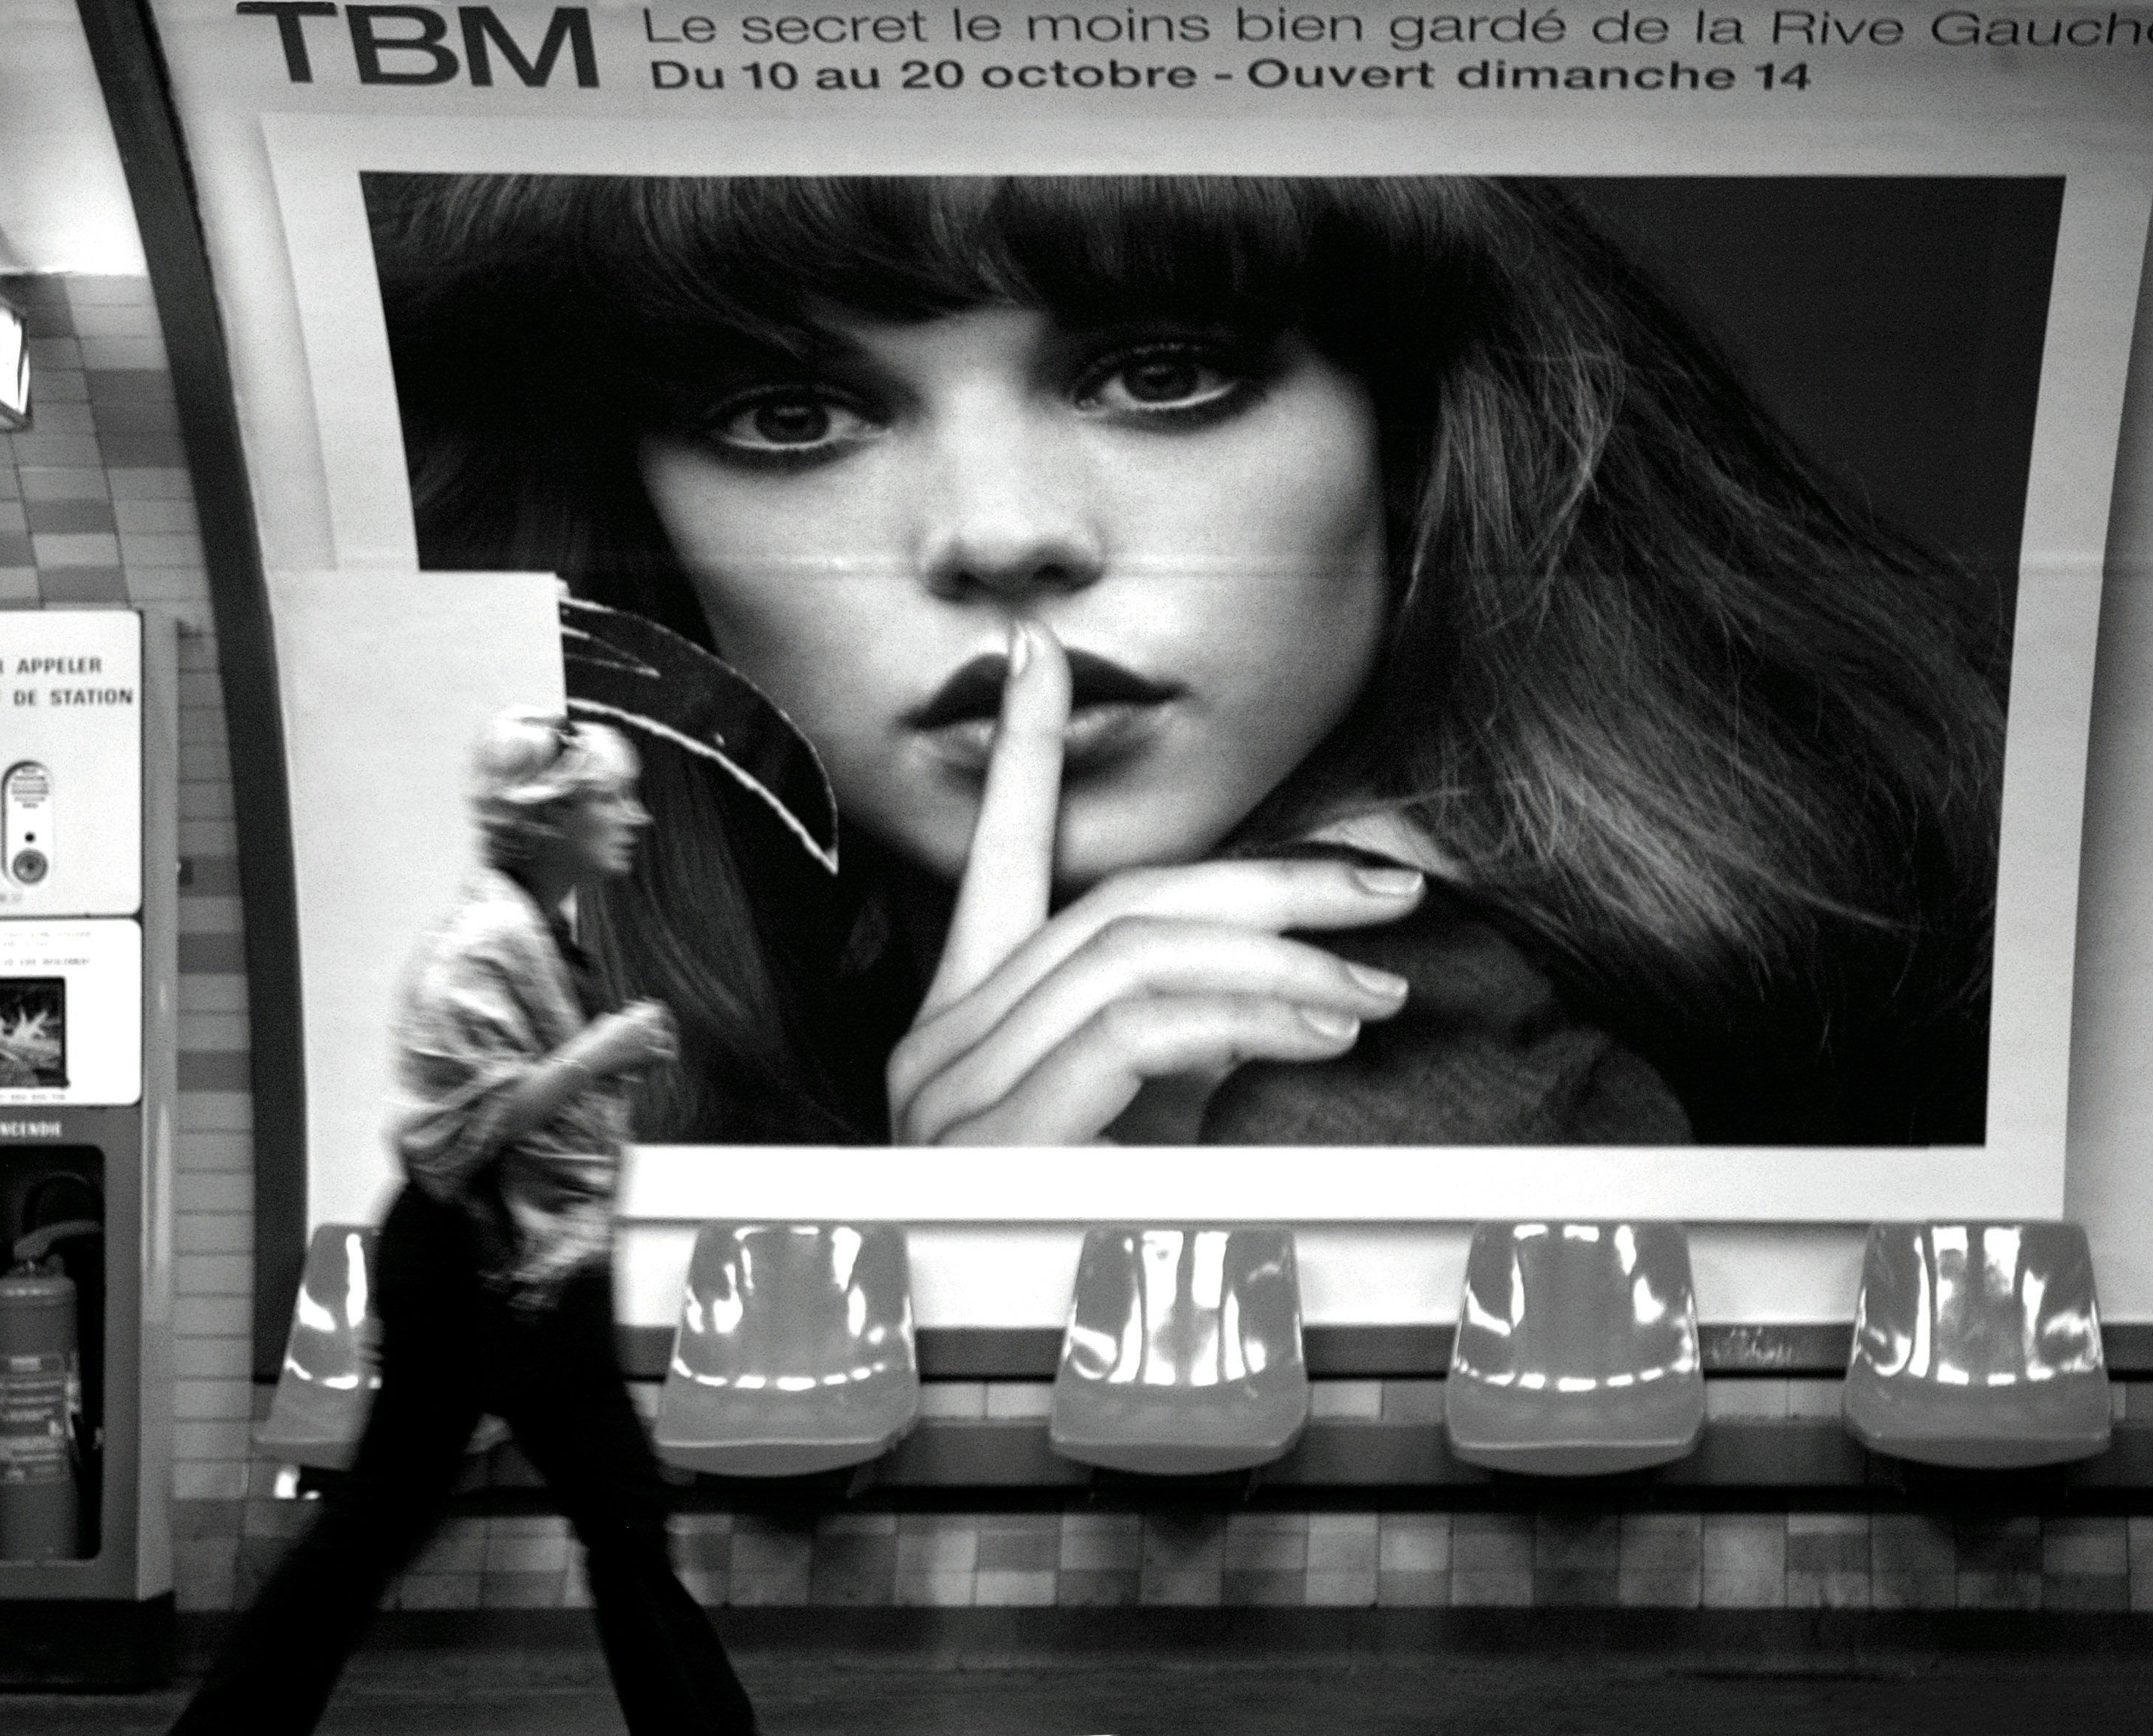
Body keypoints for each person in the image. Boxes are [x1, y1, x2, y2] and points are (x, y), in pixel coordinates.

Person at [368, 175, 2007, 1149]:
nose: (1000, 536)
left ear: (1417, 433)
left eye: (1159, 371)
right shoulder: (647, 1016)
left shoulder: (1351, 1089)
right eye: (789, 416)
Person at [170, 710, 758, 1736]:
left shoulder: (532, 935)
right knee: (425, 1522)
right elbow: (450, 1140)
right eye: (607, 798)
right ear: (545, 820)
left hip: (523, 1274)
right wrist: (597, 1056)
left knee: (593, 1516)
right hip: (475, 1270)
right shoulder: (479, 949)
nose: (635, 815)